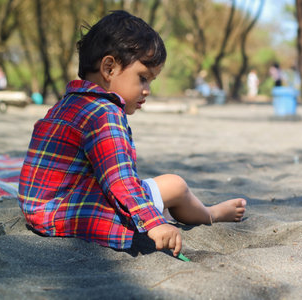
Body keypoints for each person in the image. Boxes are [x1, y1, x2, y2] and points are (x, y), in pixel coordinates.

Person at [18, 11, 246, 257]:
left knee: (150, 194)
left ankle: (170, 211)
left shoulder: (65, 105)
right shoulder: (104, 113)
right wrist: (153, 222)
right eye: (143, 78)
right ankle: (210, 213)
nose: (147, 90)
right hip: (70, 213)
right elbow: (119, 179)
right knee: (175, 185)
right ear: (109, 68)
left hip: (37, 210)